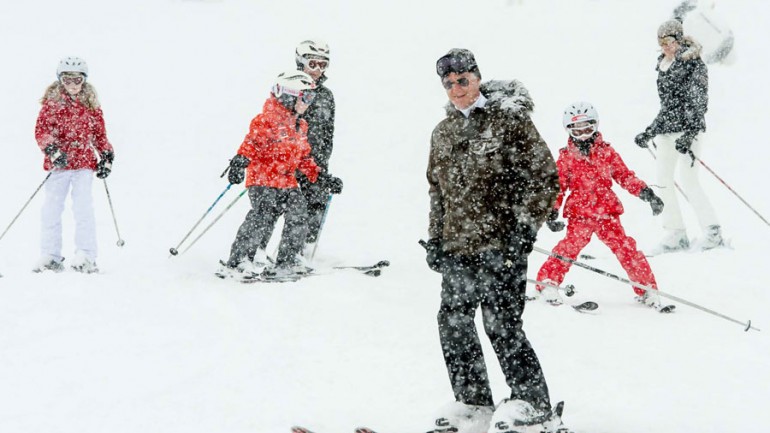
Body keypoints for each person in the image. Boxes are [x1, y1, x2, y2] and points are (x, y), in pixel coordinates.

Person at [423, 48, 566, 433]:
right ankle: (473, 403)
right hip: (458, 247)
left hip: (502, 244)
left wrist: (524, 227)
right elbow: (437, 191)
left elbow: (543, 176)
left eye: (463, 80)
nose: (456, 89)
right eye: (449, 83)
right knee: (453, 322)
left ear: (477, 78)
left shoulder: (508, 120)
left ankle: (533, 403)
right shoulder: (443, 132)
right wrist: (436, 239)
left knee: (501, 323)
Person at [536, 102, 665, 309]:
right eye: (577, 130)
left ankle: (646, 287)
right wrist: (552, 211)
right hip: (581, 213)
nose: (583, 134)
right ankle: (548, 282)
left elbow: (624, 176)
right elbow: (558, 186)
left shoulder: (607, 152)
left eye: (587, 128)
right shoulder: (566, 157)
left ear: (595, 126)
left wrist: (645, 193)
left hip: (607, 213)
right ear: (569, 130)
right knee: (569, 247)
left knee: (626, 248)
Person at [217, 71, 320, 279]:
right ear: (289, 96)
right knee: (262, 215)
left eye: (312, 98)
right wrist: (241, 160)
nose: (309, 103)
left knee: (299, 213)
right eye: (306, 97)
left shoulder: (300, 125)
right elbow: (252, 143)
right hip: (263, 180)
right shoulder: (267, 120)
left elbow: (303, 157)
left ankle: (287, 260)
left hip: (287, 182)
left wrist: (319, 176)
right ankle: (239, 261)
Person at [251, 40, 343, 265]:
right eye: (313, 63)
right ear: (300, 62)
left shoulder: (326, 96)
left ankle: (299, 252)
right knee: (271, 207)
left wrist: (322, 162)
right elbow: (273, 119)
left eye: (323, 64)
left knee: (311, 207)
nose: (318, 70)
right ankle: (256, 252)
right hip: (287, 161)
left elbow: (328, 130)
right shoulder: (291, 87)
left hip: (315, 162)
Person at [635, 19, 723, 253]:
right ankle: (676, 233)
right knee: (663, 181)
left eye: (669, 41)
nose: (664, 46)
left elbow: (698, 102)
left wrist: (691, 133)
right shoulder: (663, 65)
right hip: (666, 131)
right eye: (660, 42)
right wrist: (650, 131)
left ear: (680, 39)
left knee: (689, 180)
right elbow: (668, 106)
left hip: (687, 131)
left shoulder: (693, 64)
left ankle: (713, 231)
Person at [33, 56, 115, 274]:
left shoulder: (90, 105)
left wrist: (106, 155)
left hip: (83, 165)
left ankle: (86, 255)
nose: (72, 85)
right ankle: (51, 255)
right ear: (60, 80)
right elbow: (42, 132)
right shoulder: (52, 104)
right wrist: (53, 150)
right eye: (67, 80)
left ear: (84, 80)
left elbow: (99, 135)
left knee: (83, 207)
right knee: (51, 209)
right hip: (59, 165)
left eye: (77, 80)